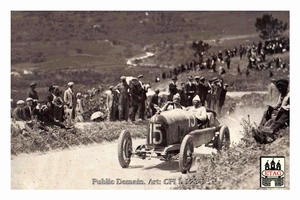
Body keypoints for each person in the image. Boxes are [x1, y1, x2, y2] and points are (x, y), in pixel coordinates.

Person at [255, 79, 290, 144]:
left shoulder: (290, 95)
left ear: (286, 86)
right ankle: (260, 127)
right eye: (278, 87)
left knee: (286, 112)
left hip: (287, 115)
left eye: (282, 86)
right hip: (281, 112)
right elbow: (278, 105)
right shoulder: (281, 95)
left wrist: (283, 108)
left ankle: (272, 131)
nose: (280, 88)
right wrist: (272, 108)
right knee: (268, 108)